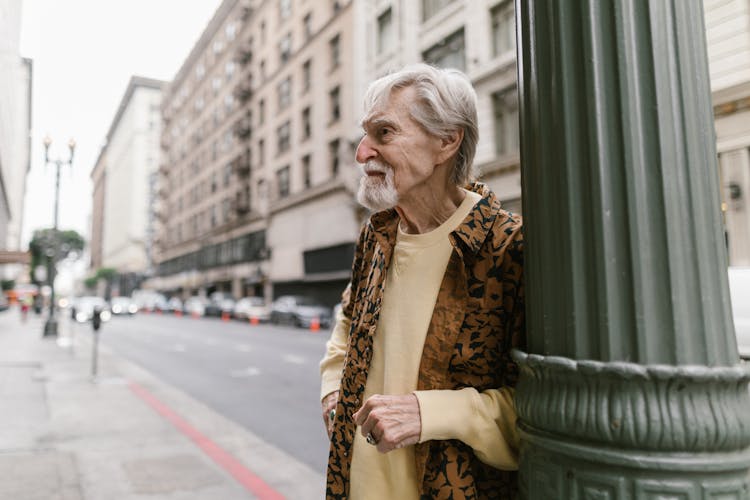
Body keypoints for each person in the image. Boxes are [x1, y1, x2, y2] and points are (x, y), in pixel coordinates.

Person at [319, 63, 525, 499]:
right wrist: (332, 388)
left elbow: (550, 412)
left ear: (446, 142)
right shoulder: (376, 235)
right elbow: (347, 323)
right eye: (364, 135)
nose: (362, 153)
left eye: (384, 133)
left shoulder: (507, 247)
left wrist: (430, 412)